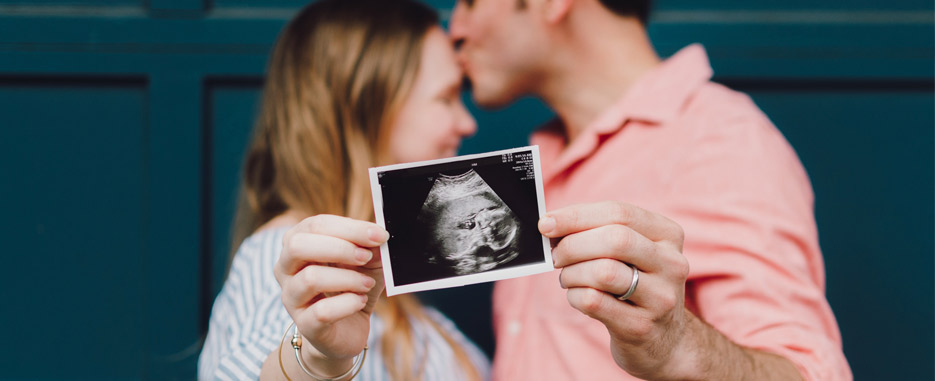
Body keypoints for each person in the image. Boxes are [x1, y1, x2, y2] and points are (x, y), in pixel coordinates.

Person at [448, 0, 852, 380]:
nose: (455, 28)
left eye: (469, 2)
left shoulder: (720, 140)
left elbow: (808, 372)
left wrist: (678, 346)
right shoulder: (541, 159)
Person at [197, 1, 486, 380]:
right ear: (367, 107)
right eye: (446, 97)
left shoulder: (385, 287)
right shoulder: (293, 262)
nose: (467, 124)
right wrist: (319, 359)